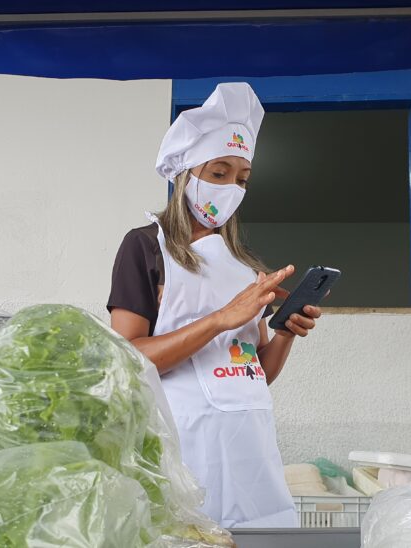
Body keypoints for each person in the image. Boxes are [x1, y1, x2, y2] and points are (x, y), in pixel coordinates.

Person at [108, 83, 324, 528]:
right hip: (183, 445)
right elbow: (127, 359)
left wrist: (284, 332)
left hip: (250, 448)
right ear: (185, 174)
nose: (231, 188)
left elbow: (254, 372)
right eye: (219, 173)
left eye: (242, 179)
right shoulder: (146, 247)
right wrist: (221, 319)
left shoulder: (245, 268)